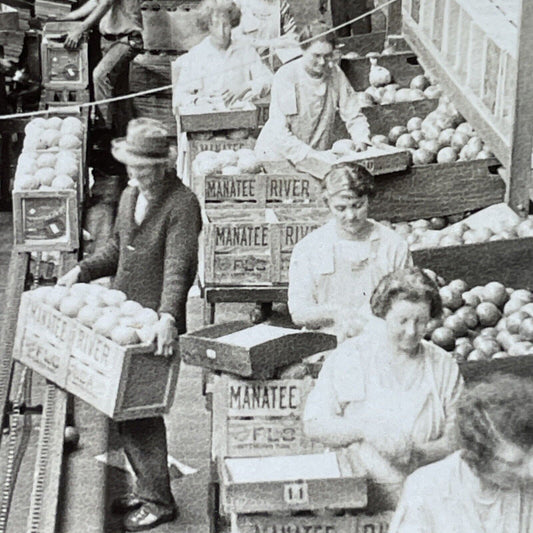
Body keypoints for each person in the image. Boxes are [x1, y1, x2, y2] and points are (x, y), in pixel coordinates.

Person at [58, 118, 202, 532]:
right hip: (125, 318)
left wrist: (168, 318)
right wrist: (82, 272)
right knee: (123, 412)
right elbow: (118, 248)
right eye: (131, 166)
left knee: (142, 414)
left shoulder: (182, 204)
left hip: (153, 325)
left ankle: (159, 501)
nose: (135, 173)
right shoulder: (129, 195)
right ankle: (146, 486)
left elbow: (179, 268)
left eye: (144, 167)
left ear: (163, 165)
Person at [303, 268, 464, 502]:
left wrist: (419, 454)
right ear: (383, 314)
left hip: (427, 497)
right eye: (402, 321)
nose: (411, 331)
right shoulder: (352, 356)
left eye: (420, 322)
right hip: (362, 497)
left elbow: (458, 435)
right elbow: (315, 424)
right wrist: (365, 429)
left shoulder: (443, 365)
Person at [390, 374, 533, 532]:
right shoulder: (425, 489)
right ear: (479, 458)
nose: (530, 471)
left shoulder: (528, 489)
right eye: (514, 463)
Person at [288, 163, 411, 339]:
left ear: (369, 199)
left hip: (380, 343)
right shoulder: (309, 248)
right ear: (327, 203)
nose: (351, 216)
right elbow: (299, 313)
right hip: (326, 345)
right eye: (341, 208)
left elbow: (406, 304)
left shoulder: (394, 246)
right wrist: (335, 313)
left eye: (357, 205)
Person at [254, 21, 371, 172]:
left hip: (315, 157)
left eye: (327, 56)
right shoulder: (287, 76)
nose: (322, 62)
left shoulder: (334, 73)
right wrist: (309, 155)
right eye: (316, 56)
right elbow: (280, 131)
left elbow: (353, 113)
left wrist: (361, 138)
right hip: (278, 158)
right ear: (303, 49)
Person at [61, 0, 143, 136]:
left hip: (126, 39)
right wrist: (68, 17)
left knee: (100, 75)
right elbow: (95, 2)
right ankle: (125, 138)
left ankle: (104, 129)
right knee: (119, 93)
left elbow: (106, 3)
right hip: (111, 40)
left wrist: (80, 29)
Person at [173, 0, 273, 109]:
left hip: (240, 115)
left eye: (225, 25)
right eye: (215, 25)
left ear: (232, 24)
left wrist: (246, 87)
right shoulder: (196, 55)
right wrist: (198, 101)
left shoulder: (245, 50)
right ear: (207, 26)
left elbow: (269, 80)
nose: (221, 32)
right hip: (207, 118)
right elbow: (179, 97)